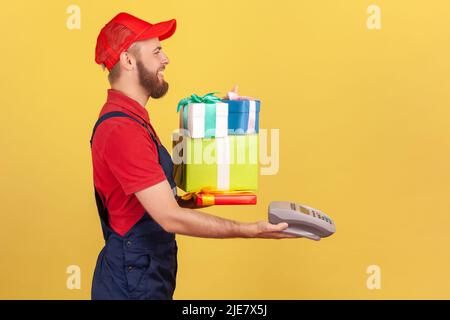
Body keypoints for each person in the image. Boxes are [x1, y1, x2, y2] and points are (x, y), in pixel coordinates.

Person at [90, 12, 296, 300]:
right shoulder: (121, 129)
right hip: (130, 281)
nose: (166, 59)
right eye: (157, 51)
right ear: (127, 60)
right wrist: (251, 230)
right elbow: (169, 217)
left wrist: (222, 115)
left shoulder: (133, 120)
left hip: (142, 274)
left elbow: (169, 196)